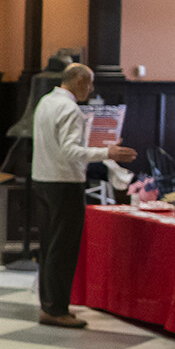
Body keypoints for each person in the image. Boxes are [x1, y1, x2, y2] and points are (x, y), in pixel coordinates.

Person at [31, 62, 135, 329]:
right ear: (77, 80)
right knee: (63, 249)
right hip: (64, 183)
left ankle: (50, 305)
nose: (91, 88)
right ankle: (56, 310)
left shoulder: (46, 102)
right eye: (89, 82)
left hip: (42, 180)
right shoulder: (70, 109)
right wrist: (107, 153)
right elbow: (70, 151)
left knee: (49, 246)